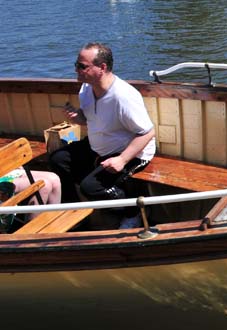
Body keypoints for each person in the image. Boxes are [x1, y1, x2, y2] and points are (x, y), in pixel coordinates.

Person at [49, 42, 155, 229]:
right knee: (58, 159)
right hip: (98, 145)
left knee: (90, 187)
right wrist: (78, 117)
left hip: (131, 151)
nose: (77, 70)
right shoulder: (86, 88)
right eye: (76, 64)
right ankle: (72, 208)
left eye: (82, 66)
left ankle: (133, 212)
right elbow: (90, 118)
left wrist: (122, 159)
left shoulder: (123, 97)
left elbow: (147, 132)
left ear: (102, 68)